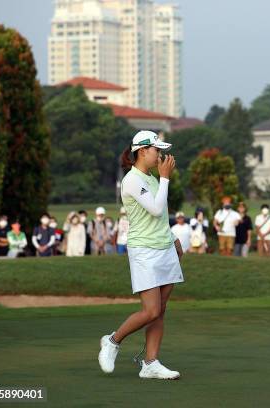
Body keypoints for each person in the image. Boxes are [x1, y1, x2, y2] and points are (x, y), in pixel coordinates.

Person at [98, 130, 183, 380]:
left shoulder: (152, 178)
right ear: (143, 151)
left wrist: (173, 238)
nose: (161, 155)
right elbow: (156, 209)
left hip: (164, 247)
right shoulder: (133, 180)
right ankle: (112, 341)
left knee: (161, 310)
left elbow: (159, 218)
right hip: (144, 251)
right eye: (157, 150)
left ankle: (150, 363)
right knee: (151, 311)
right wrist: (166, 177)